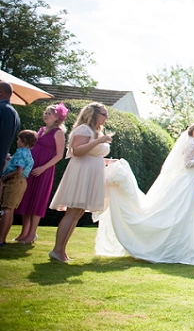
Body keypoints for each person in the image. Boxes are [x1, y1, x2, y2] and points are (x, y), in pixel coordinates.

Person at [94, 122, 194, 265]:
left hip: (193, 182)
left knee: (191, 215)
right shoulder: (191, 144)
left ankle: (190, 248)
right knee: (184, 214)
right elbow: (187, 164)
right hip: (187, 183)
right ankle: (183, 249)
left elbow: (193, 167)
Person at [48, 102, 113, 263]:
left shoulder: (95, 131)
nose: (106, 118)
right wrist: (99, 141)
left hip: (91, 171)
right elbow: (77, 150)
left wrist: (108, 162)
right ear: (93, 114)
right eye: (103, 114)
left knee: (77, 213)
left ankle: (61, 250)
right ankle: (57, 249)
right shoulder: (84, 129)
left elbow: (92, 154)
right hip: (81, 172)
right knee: (72, 212)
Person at [14, 103, 67, 244]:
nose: (46, 114)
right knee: (27, 198)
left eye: (50, 113)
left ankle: (32, 234)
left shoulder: (59, 133)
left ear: (57, 117)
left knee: (37, 201)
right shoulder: (41, 129)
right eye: (45, 112)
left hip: (44, 171)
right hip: (31, 168)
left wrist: (43, 168)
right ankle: (24, 233)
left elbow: (59, 155)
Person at [0, 130, 37, 245]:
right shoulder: (28, 153)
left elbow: (18, 170)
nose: (17, 141)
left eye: (19, 139)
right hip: (22, 182)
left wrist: (4, 178)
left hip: (15, 181)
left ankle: (0, 239)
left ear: (24, 141)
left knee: (6, 209)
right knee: (10, 210)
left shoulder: (21, 152)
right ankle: (3, 238)